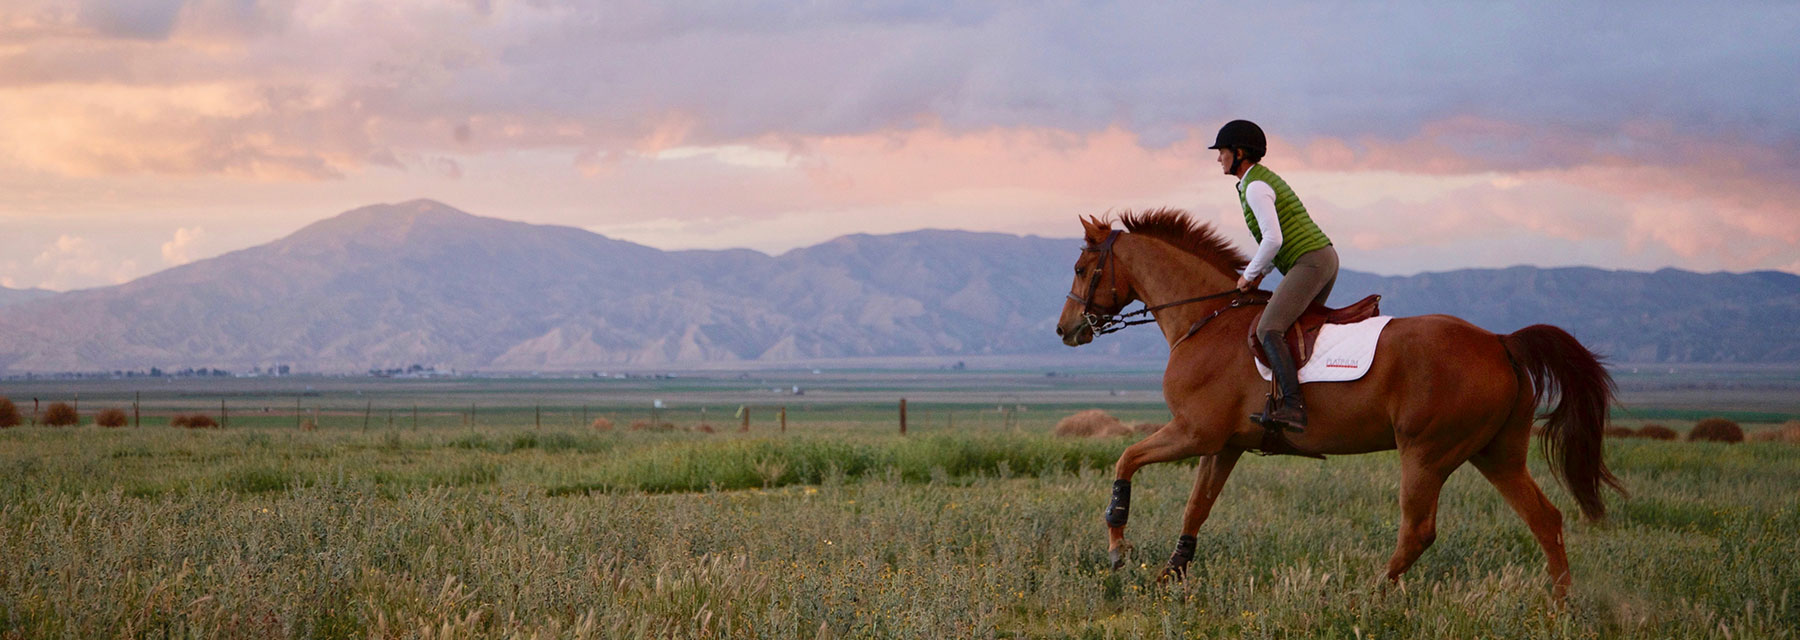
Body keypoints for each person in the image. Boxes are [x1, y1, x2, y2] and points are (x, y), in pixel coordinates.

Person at [1209, 119, 1337, 432]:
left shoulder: (1255, 187)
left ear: (1239, 153)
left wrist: (1249, 275)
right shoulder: (1256, 183)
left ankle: (1293, 407)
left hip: (1310, 262)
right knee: (1295, 331)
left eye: (1222, 152)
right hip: (1318, 259)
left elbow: (1273, 239)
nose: (1218, 158)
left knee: (1268, 328)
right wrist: (1262, 274)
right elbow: (1276, 242)